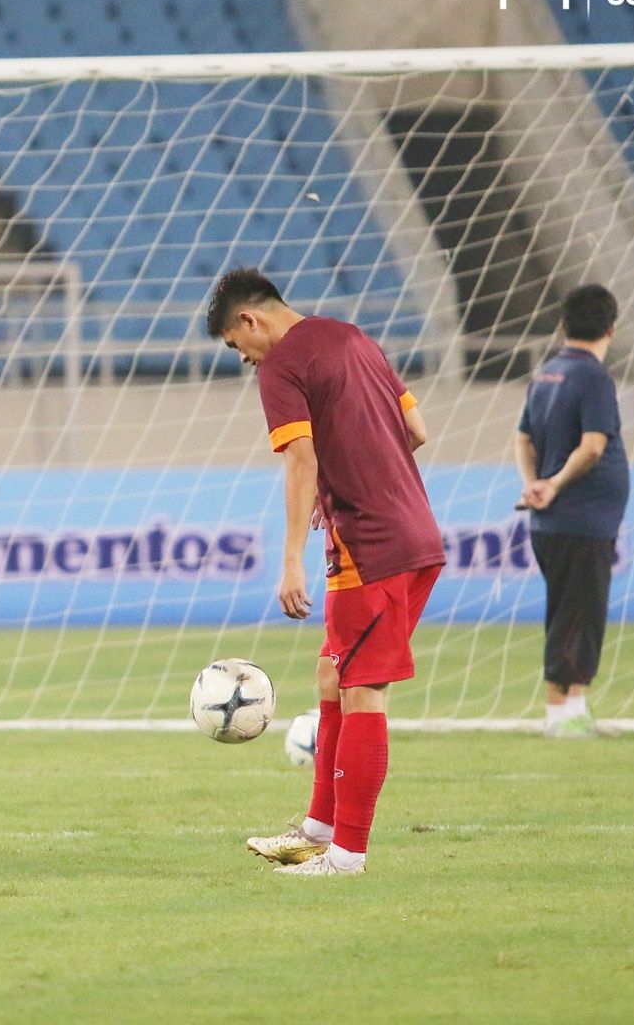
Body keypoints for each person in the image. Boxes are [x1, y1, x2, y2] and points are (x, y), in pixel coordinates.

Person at [208, 268, 443, 877]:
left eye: (238, 347)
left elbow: (301, 459)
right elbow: (416, 429)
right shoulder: (355, 338)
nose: (246, 360)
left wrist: (291, 562)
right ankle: (318, 827)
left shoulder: (283, 366)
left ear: (250, 321)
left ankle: (347, 855)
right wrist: (360, 473)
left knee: (364, 688)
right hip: (409, 531)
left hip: (371, 545)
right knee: (332, 672)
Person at [515, 285, 629, 739]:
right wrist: (556, 483)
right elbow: (594, 445)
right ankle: (560, 716)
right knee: (578, 611)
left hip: (555, 520)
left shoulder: (546, 374)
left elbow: (522, 438)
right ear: (611, 328)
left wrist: (534, 483)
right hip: (581, 517)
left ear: (563, 325)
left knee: (573, 609)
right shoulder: (594, 378)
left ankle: (575, 711)